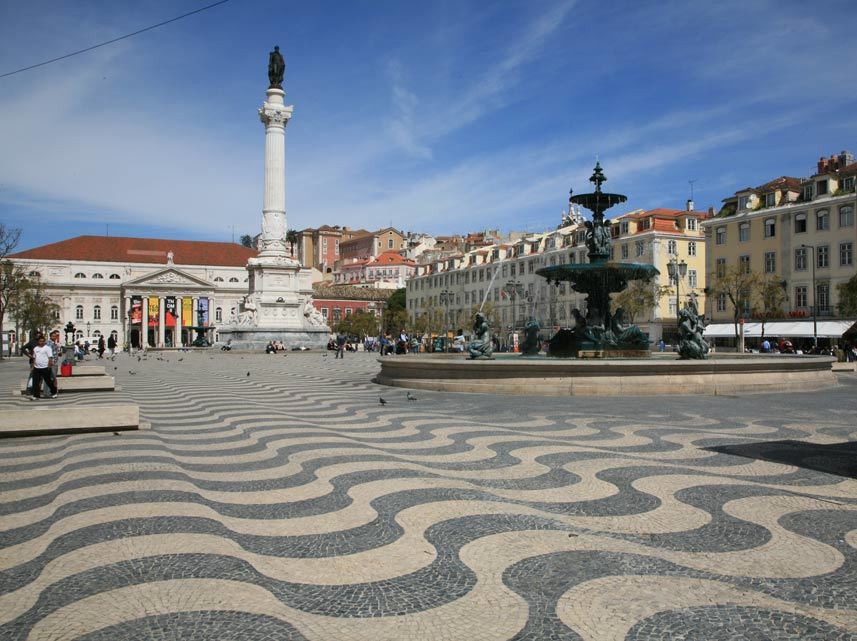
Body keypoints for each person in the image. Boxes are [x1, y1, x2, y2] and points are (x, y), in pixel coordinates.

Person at [29, 335, 57, 400]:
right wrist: (33, 367)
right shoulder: (35, 348)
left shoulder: (47, 348)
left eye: (43, 341)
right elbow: (34, 358)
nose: (41, 342)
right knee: (35, 382)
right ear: (38, 342)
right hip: (37, 368)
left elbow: (50, 357)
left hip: (45, 367)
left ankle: (54, 392)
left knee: (48, 381)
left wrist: (49, 366)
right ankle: (36, 395)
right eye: (40, 341)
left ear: (44, 341)